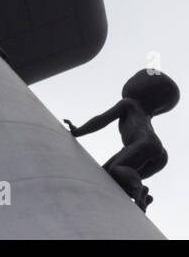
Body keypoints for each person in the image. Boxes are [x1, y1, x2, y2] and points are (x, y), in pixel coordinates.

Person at [64, 70, 178, 211]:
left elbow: (102, 120)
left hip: (144, 143)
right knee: (107, 173)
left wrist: (79, 131)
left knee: (117, 168)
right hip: (157, 152)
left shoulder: (129, 104)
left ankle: (138, 190)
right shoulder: (146, 116)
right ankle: (138, 194)